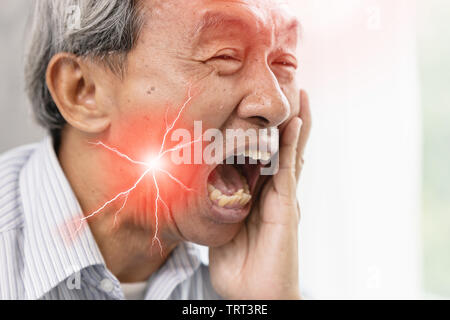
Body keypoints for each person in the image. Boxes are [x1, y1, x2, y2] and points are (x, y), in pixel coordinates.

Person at [0, 0, 311, 300]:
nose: (276, 105)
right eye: (224, 56)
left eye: (284, 63)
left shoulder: (259, 285)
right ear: (83, 91)